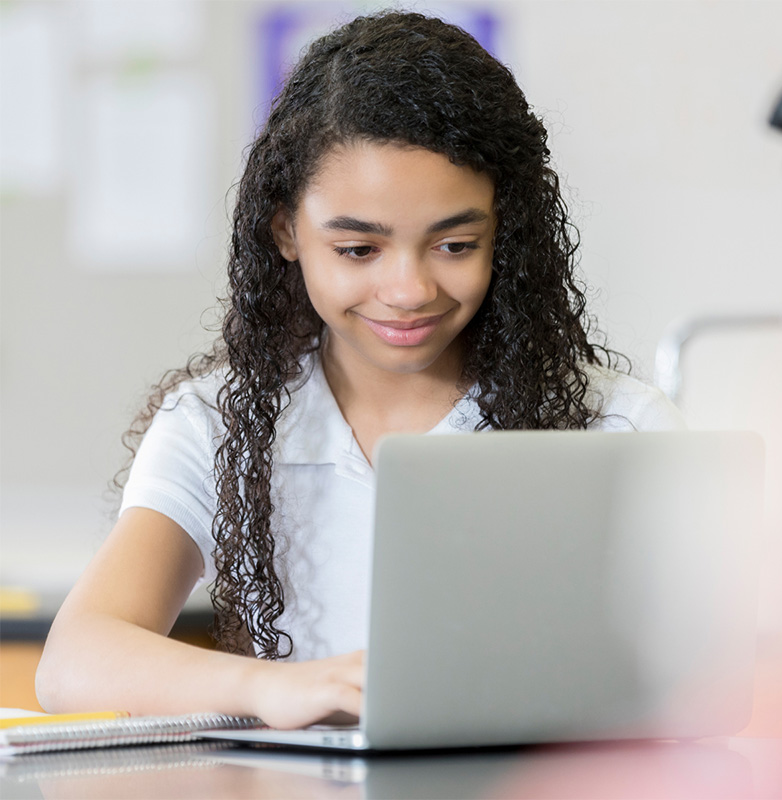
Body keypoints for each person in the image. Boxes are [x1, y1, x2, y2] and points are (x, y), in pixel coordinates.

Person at [36, 10, 684, 728]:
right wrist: (278, 687)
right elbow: (74, 663)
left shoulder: (621, 427)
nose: (408, 290)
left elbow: (697, 684)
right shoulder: (219, 421)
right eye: (358, 251)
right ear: (286, 229)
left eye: (456, 244)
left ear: (508, 231)